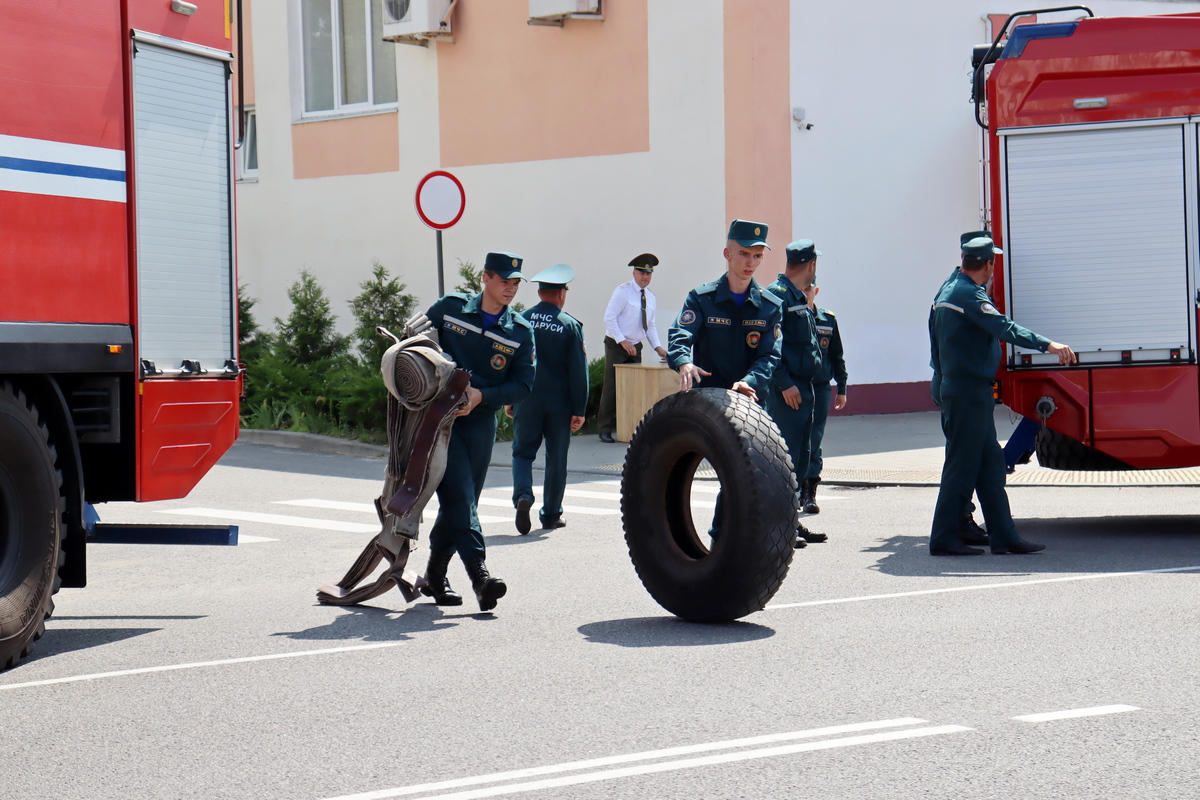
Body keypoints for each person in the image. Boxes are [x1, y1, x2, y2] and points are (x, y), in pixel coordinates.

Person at [928, 235, 1076, 556]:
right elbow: (1005, 328)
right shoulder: (968, 295)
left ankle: (1003, 535)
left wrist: (939, 385)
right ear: (989, 265)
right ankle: (943, 537)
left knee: (990, 464)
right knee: (961, 465)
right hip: (968, 392)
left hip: (962, 390)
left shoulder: (948, 289)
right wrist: (1049, 345)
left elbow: (934, 345)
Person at [421, 251, 535, 609]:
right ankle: (480, 577)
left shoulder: (520, 331)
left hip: (481, 423)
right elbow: (414, 347)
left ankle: (436, 575)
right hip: (440, 422)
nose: (511, 289)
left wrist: (483, 394)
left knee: (463, 501)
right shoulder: (450, 308)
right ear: (485, 278)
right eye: (504, 281)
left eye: (516, 283)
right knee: (460, 497)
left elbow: (523, 385)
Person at [667, 219, 784, 541]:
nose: (751, 263)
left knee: (745, 473)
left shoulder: (771, 306)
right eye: (744, 254)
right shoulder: (702, 298)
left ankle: (726, 535)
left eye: (758, 256)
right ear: (727, 253)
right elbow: (680, 333)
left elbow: (770, 354)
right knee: (723, 470)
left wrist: (751, 381)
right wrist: (684, 362)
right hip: (708, 402)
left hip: (749, 401)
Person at [507, 264, 588, 534]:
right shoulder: (569, 325)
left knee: (522, 452)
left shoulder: (520, 321)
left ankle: (523, 495)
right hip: (559, 403)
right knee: (556, 458)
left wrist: (509, 398)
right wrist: (579, 409)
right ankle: (551, 514)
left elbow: (509, 363)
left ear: (540, 292)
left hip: (525, 398)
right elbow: (578, 372)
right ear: (562, 294)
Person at [765, 240, 828, 546]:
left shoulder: (795, 297)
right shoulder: (778, 295)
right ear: (812, 265)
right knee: (784, 461)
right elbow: (768, 344)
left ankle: (791, 524)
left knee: (799, 461)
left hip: (805, 389)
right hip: (787, 392)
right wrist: (784, 382)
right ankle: (776, 529)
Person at [598, 253, 668, 443]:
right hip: (617, 344)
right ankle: (605, 428)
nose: (645, 277)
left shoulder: (651, 297)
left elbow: (650, 326)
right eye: (642, 273)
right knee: (613, 386)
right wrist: (623, 341)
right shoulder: (623, 291)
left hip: (636, 346)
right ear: (634, 273)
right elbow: (609, 318)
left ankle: (629, 426)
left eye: (649, 274)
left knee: (634, 388)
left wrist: (658, 348)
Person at [802, 264, 848, 516]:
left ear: (816, 290)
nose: (806, 292)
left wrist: (841, 387)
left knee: (815, 438)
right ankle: (795, 487)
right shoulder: (790, 318)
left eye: (810, 288)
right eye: (803, 287)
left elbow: (837, 355)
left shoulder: (827, 320)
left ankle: (810, 493)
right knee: (796, 437)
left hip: (820, 388)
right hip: (798, 387)